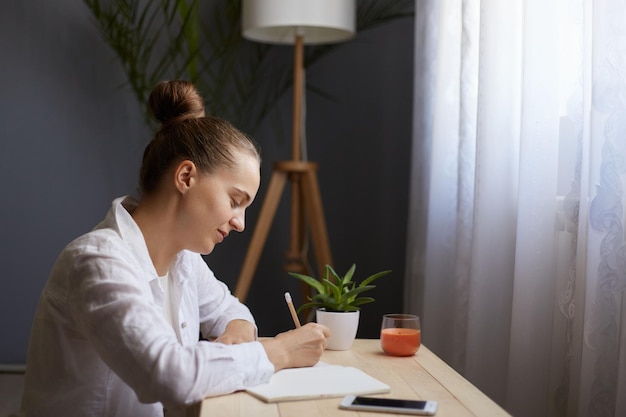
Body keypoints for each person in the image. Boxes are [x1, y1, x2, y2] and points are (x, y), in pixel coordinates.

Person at [17, 80, 330, 417]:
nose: (240, 223)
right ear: (185, 177)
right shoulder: (98, 263)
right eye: (235, 201)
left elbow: (232, 312)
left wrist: (238, 333)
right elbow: (167, 375)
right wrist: (279, 351)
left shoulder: (185, 260)